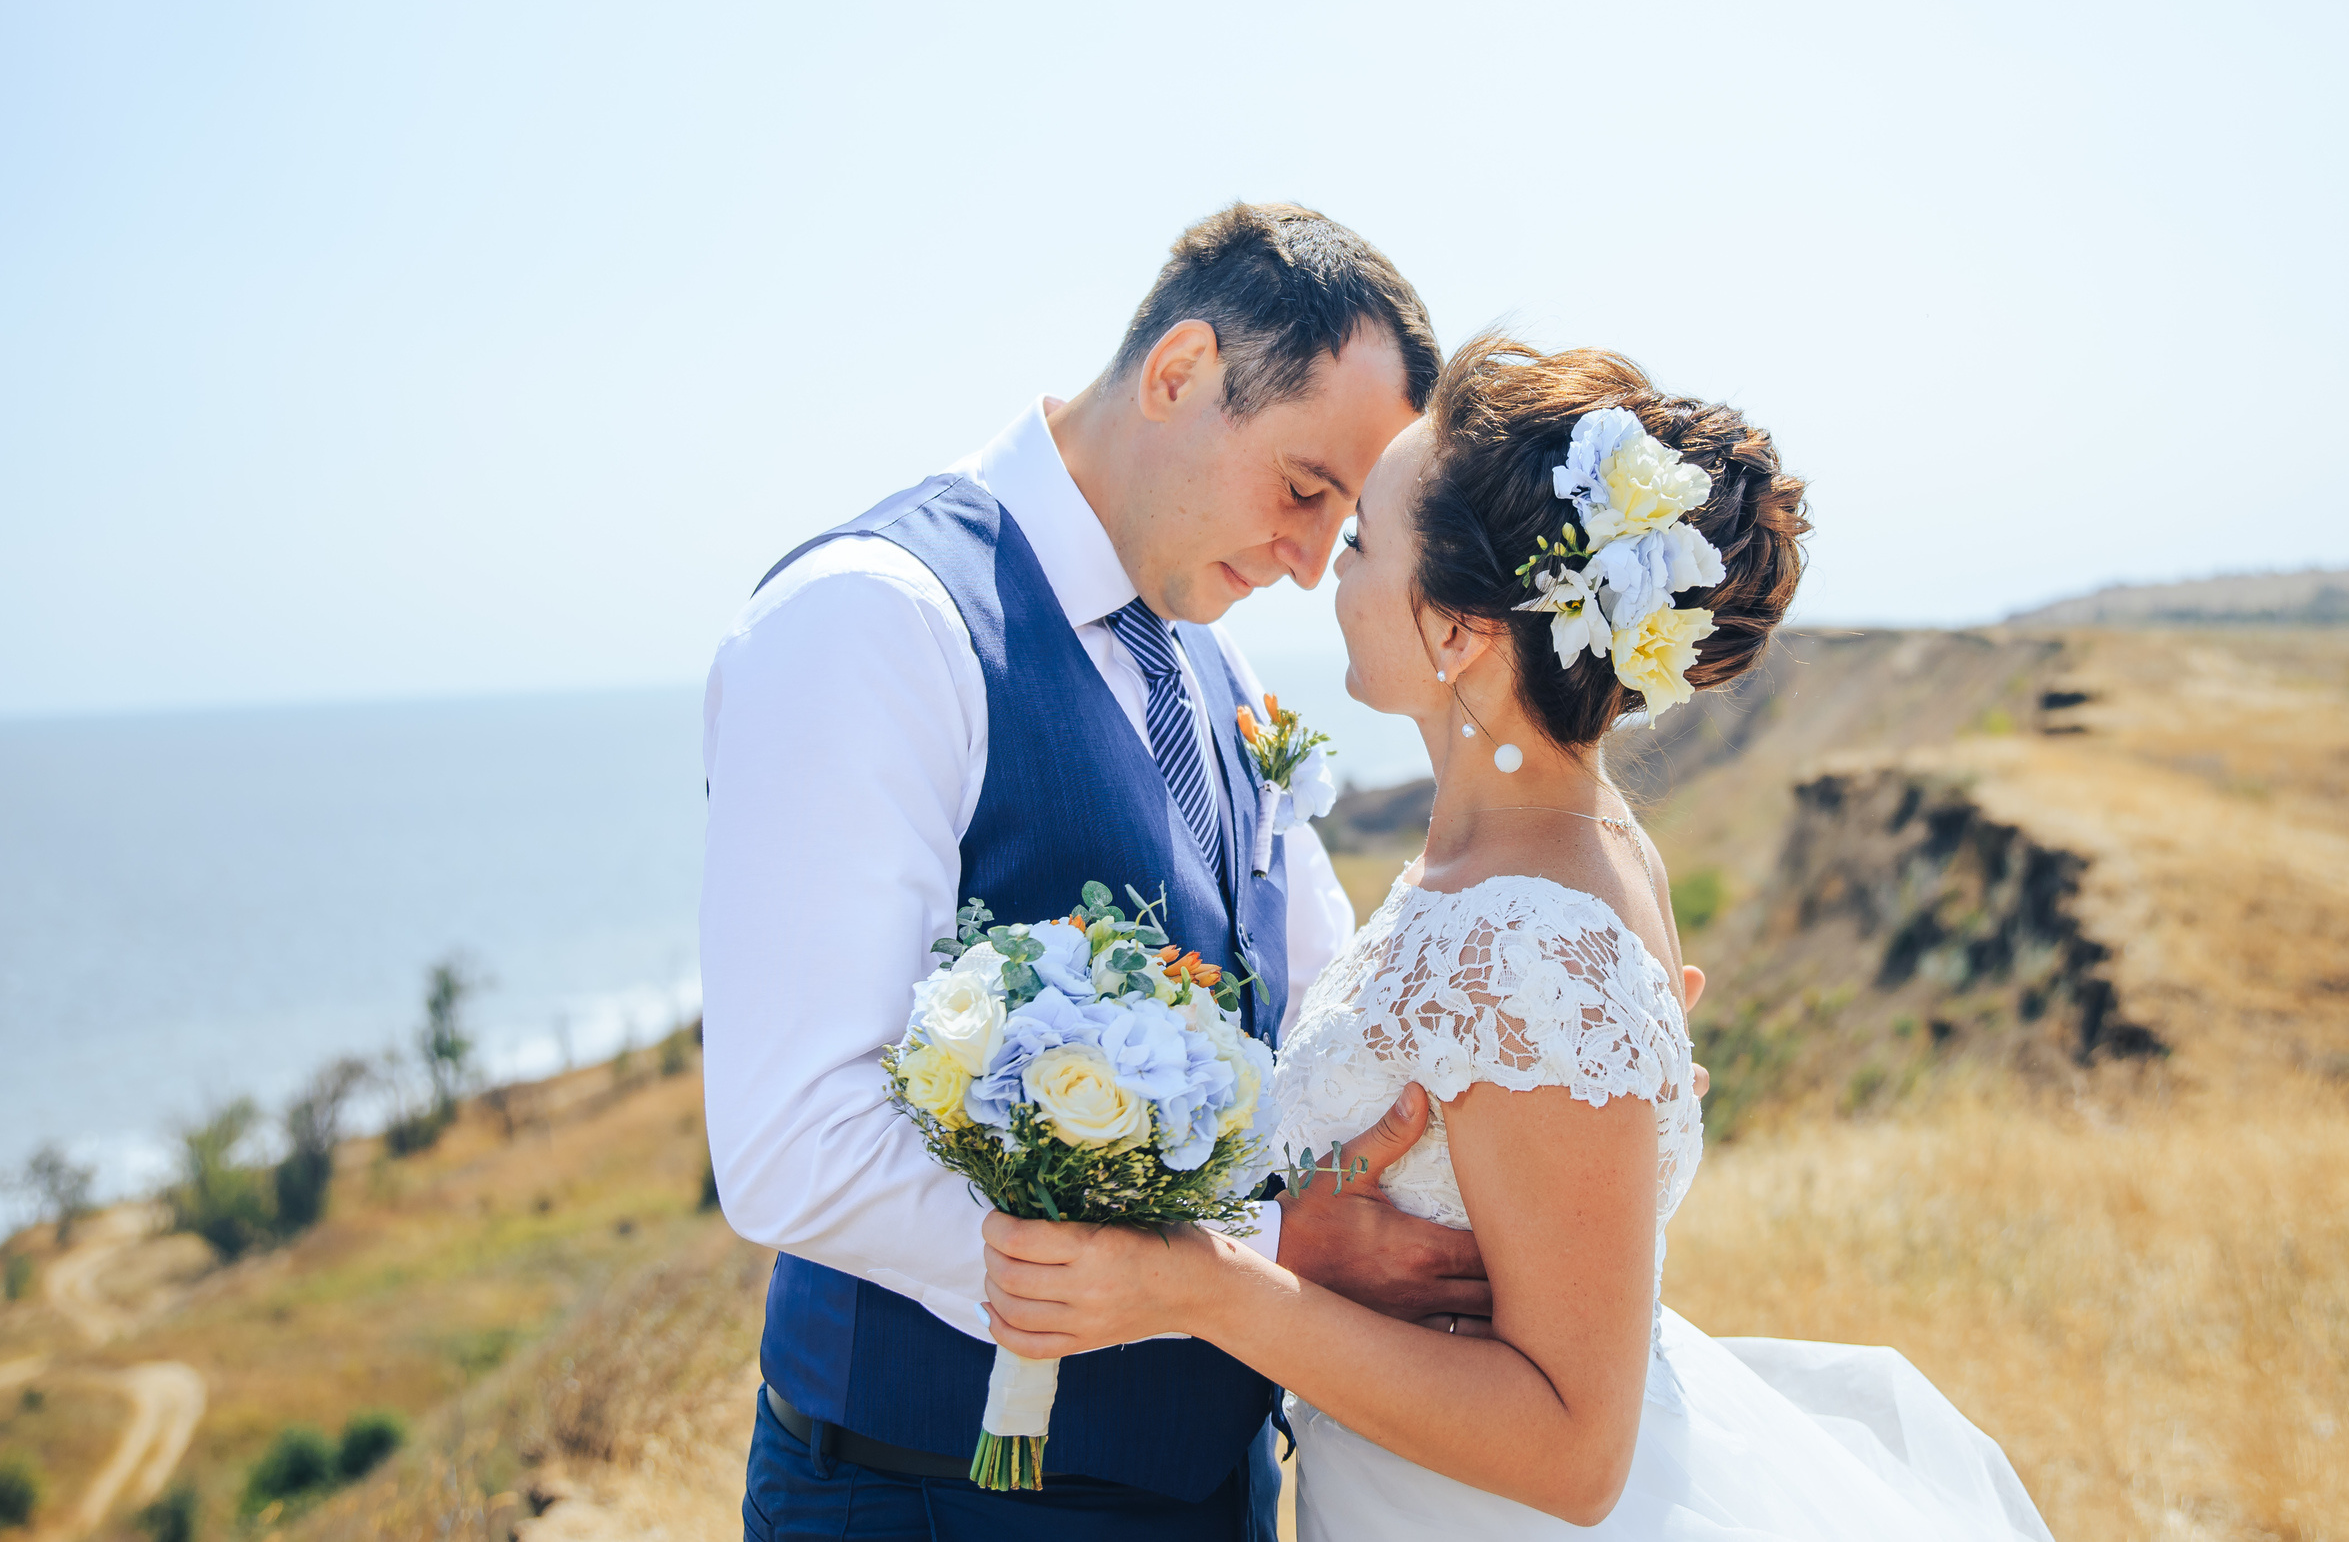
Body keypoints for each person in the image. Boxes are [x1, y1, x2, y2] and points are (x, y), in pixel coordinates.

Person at [978, 334, 2061, 1539]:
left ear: (1455, 630)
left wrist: (1211, 1286)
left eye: (1357, 546)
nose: (1322, 577)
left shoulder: (1529, 934)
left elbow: (1571, 1451)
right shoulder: (1549, 854)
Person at [700, 202, 1489, 1541]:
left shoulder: (1213, 655)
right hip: (937, 1497)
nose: (1310, 564)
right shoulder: (876, 622)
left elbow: (1298, 1007)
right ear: (1180, 373)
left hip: (1216, 1487)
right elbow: (796, 1143)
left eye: (1346, 518)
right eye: (1305, 489)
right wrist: (1247, 1262)